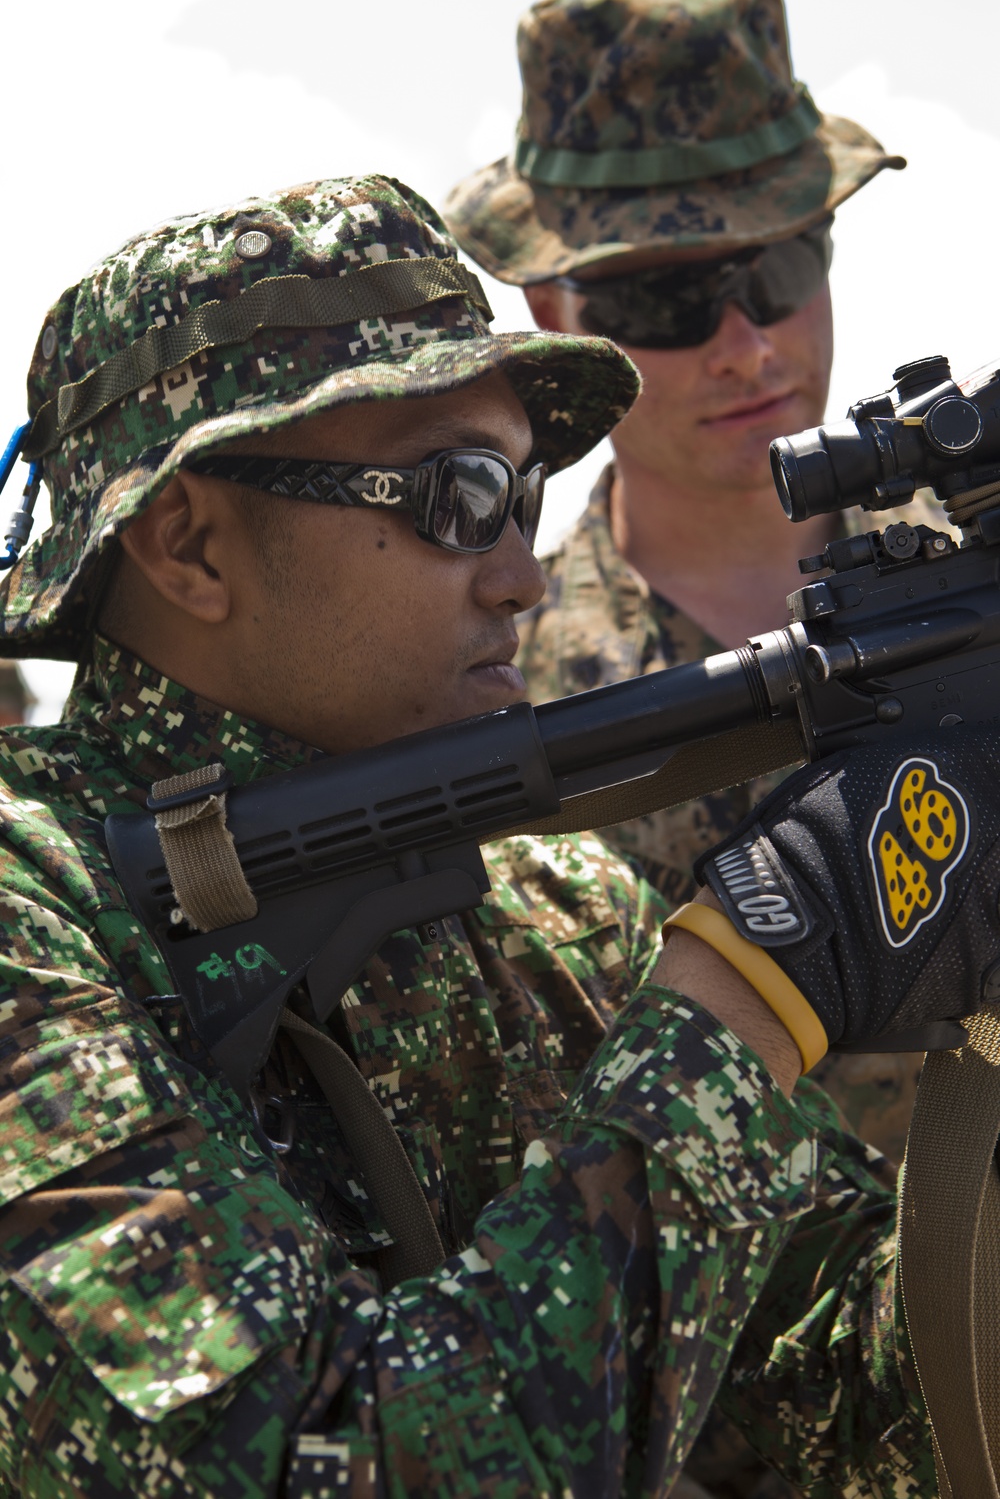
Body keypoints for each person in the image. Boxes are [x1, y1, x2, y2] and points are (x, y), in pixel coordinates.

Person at [0, 174, 954, 1498]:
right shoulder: (33, 924)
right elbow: (323, 1466)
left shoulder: (554, 913)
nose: (516, 571)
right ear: (189, 547)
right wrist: (752, 976)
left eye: (525, 499)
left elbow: (855, 1400)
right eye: (455, 498)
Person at [445, 0, 933, 1181]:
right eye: (663, 302)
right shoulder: (497, 710)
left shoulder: (968, 566)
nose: (742, 345)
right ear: (555, 313)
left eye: (774, 269)